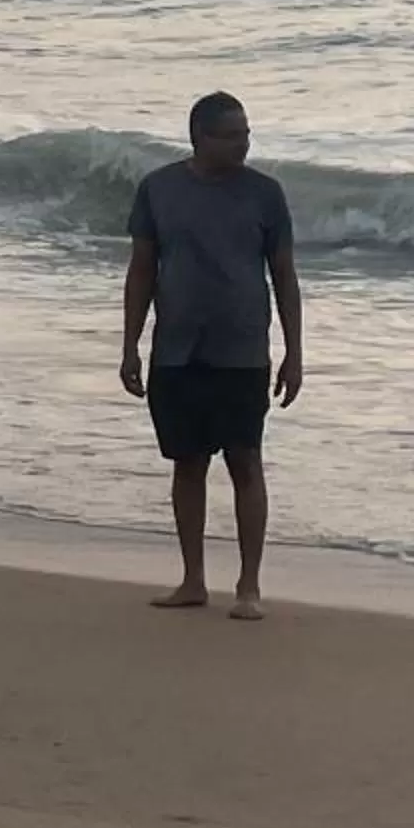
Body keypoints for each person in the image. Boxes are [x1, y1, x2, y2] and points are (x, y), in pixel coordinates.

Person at [122, 92, 303, 619]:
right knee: (187, 464)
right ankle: (193, 580)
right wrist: (130, 344)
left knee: (245, 460)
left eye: (246, 133)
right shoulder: (159, 189)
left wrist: (294, 352)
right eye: (231, 134)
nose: (243, 143)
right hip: (176, 349)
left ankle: (248, 587)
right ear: (199, 136)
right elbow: (141, 271)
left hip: (243, 350)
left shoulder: (265, 195)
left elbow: (285, 277)